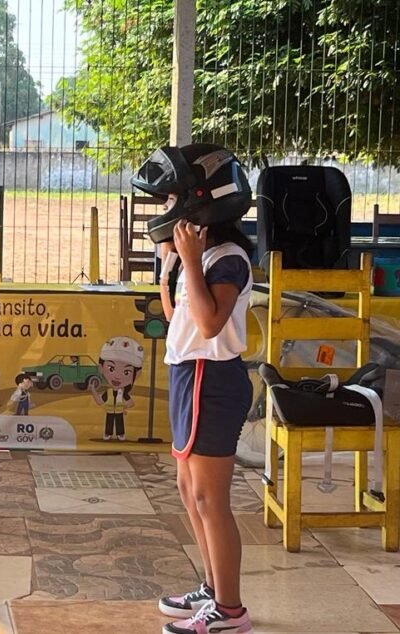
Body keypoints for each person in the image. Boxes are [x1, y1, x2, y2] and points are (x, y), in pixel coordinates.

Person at [132, 143, 255, 634]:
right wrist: (172, 264)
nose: (167, 209)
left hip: (213, 378)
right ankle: (211, 586)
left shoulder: (228, 258)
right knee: (189, 490)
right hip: (189, 374)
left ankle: (230, 610)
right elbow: (175, 316)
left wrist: (191, 258)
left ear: (200, 202)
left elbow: (208, 324)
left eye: (171, 200)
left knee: (210, 498)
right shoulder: (197, 259)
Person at [89, 336, 144, 441]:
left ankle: (120, 434)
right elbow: (100, 401)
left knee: (119, 422)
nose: (117, 376)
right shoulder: (109, 392)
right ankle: (108, 433)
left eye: (126, 372)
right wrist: (93, 390)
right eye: (111, 368)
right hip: (110, 411)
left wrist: (124, 408)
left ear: (137, 374)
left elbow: (131, 403)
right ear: (101, 368)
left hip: (119, 412)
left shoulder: (123, 393)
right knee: (109, 422)